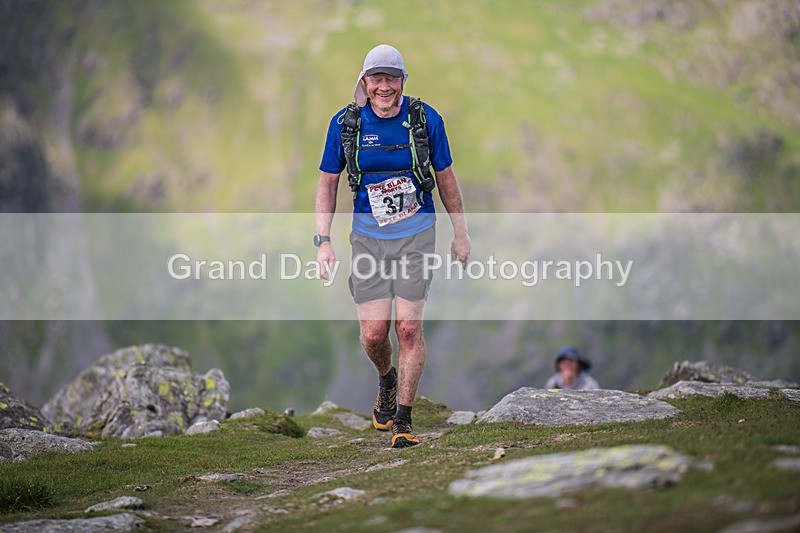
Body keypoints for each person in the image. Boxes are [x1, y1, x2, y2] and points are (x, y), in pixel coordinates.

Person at [314, 44, 470, 448]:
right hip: (367, 239)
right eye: (376, 78)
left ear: (403, 80)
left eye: (392, 78)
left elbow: (446, 178)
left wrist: (461, 232)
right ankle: (387, 378)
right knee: (372, 334)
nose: (384, 86)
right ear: (364, 82)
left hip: (417, 234)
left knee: (408, 328)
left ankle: (403, 419)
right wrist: (323, 242)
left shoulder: (424, 119)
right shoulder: (345, 124)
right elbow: (328, 183)